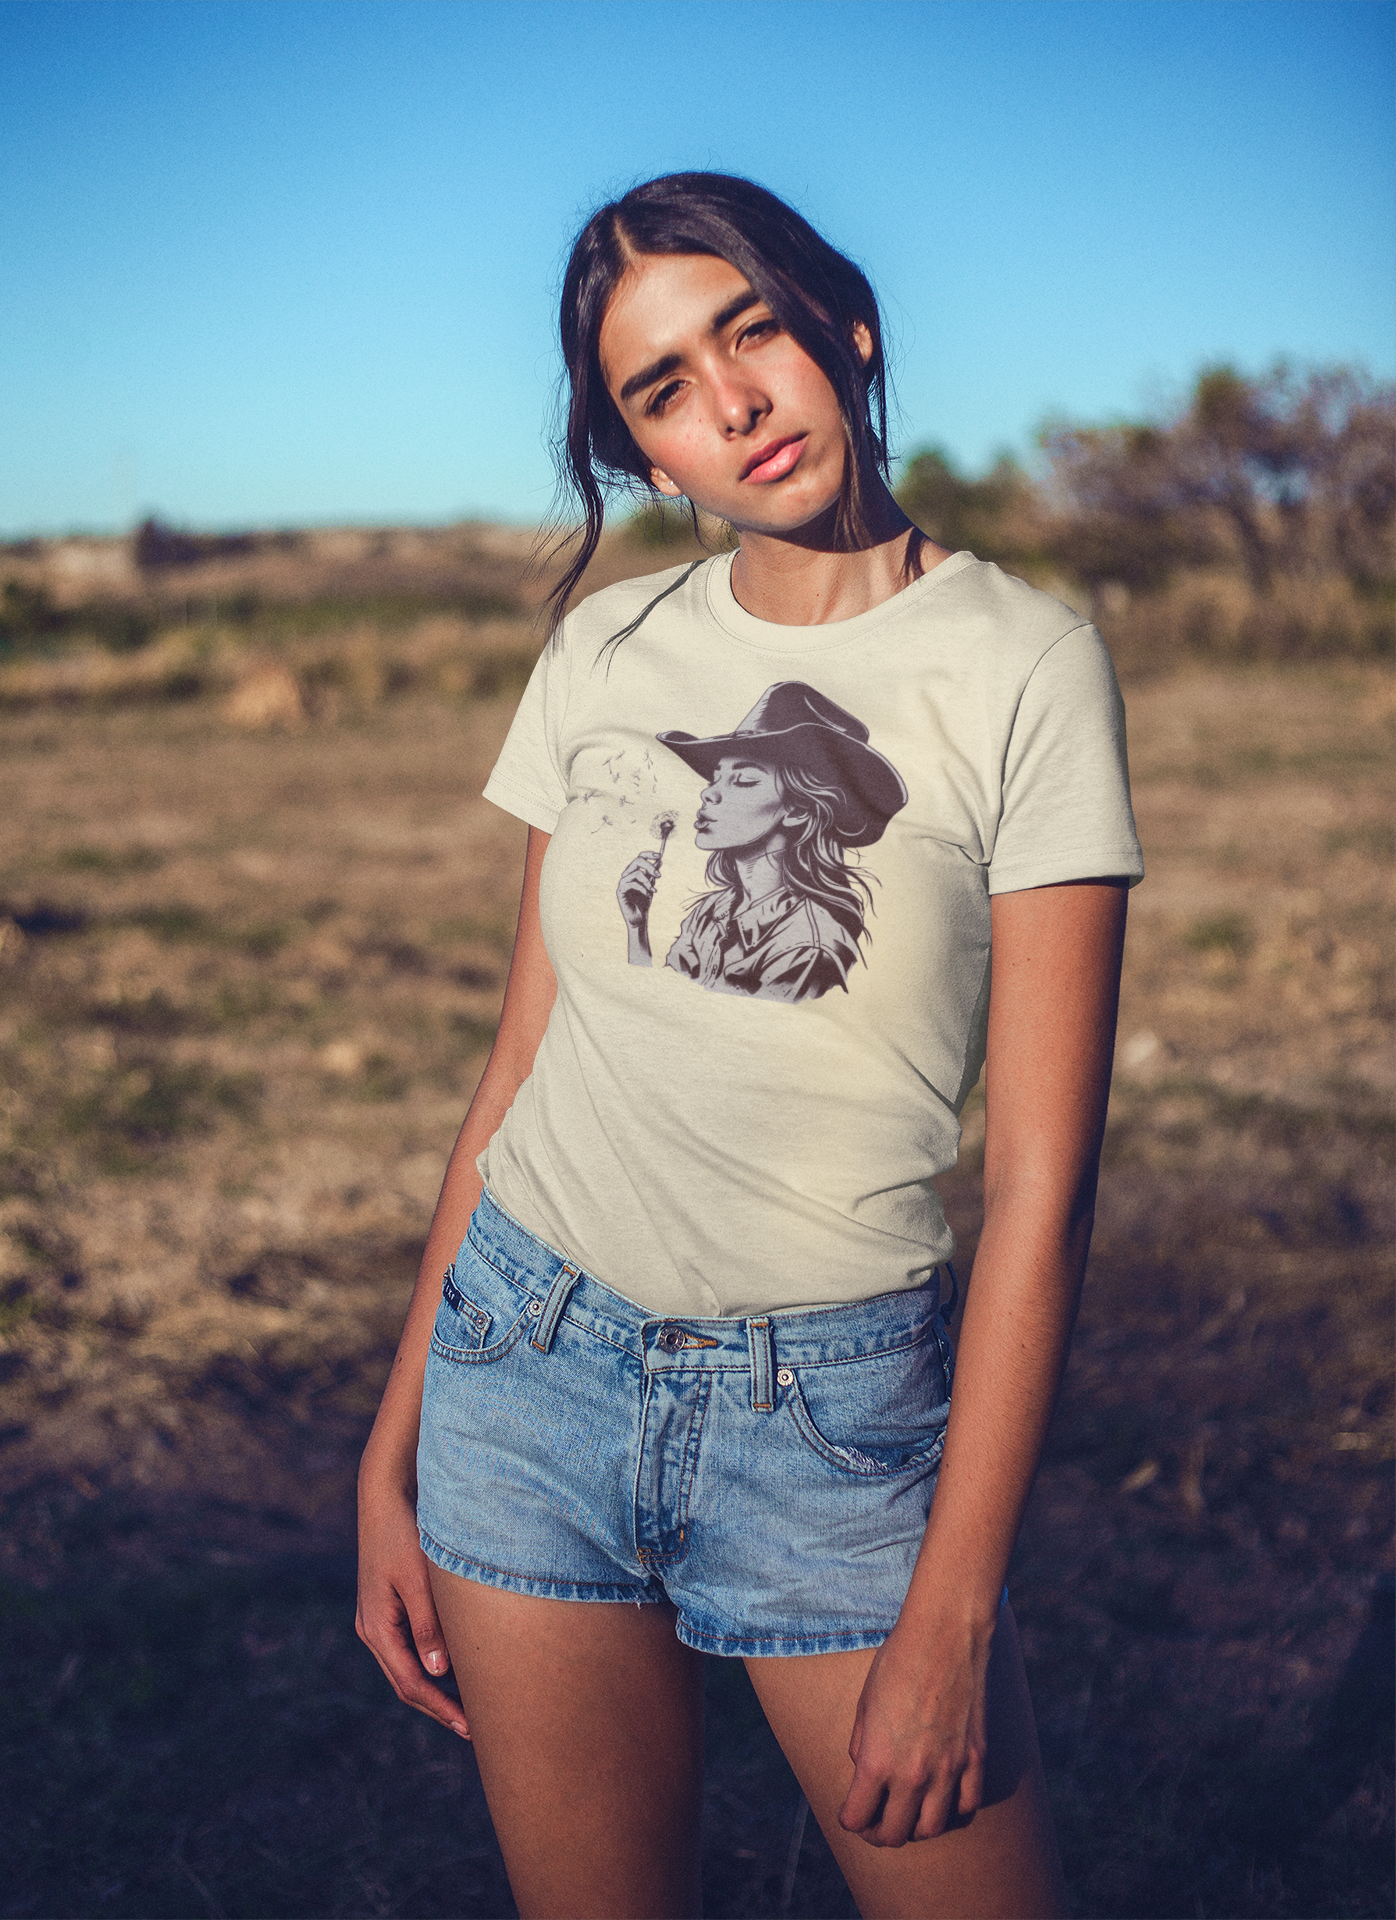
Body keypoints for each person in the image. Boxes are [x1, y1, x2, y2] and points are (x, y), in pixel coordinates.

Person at [356, 171, 1142, 1920]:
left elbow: (1040, 1182)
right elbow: (516, 1070)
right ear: (643, 455)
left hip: (834, 1421)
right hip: (528, 1364)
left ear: (843, 327)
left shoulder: (1025, 665)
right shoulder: (605, 650)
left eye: (751, 327)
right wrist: (393, 1446)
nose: (731, 400)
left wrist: (955, 1606)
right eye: (661, 387)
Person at [617, 679, 908, 1002]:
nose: (709, 792)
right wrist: (637, 928)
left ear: (797, 809)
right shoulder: (712, 913)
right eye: (716, 777)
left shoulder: (808, 943)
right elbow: (658, 1009)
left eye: (743, 779)